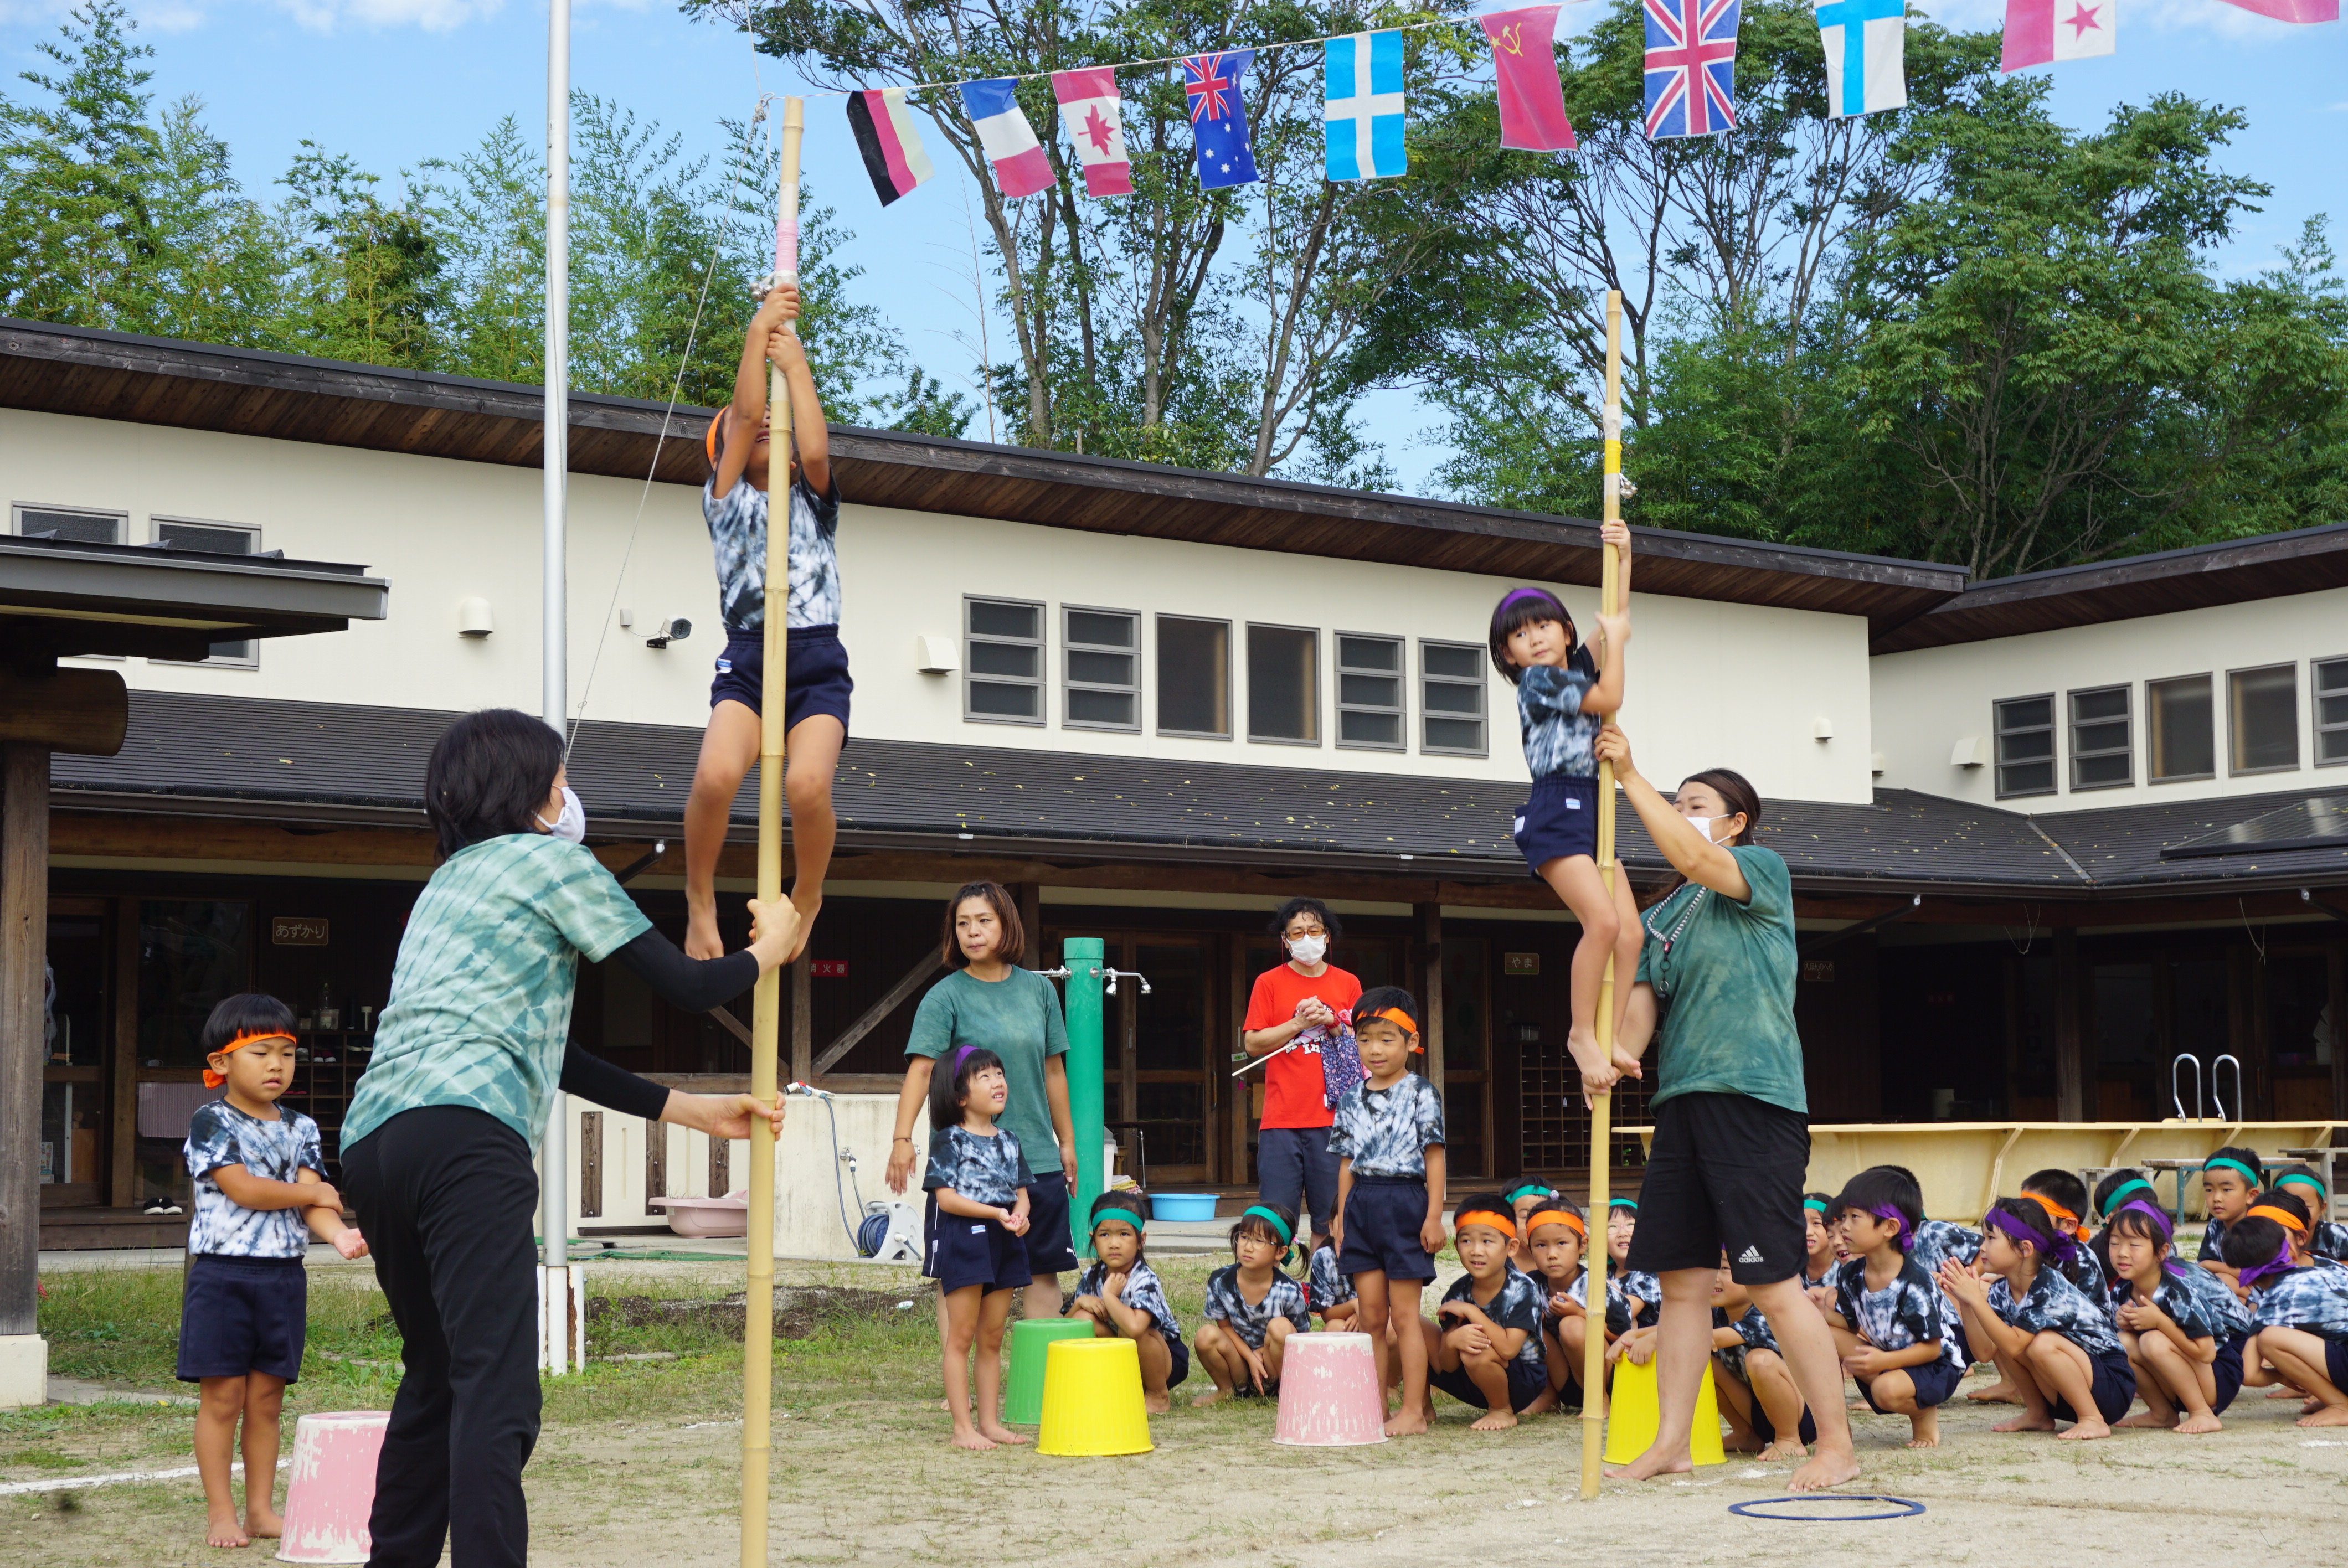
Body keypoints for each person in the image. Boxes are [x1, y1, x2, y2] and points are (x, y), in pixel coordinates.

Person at [339, 708, 796, 1568]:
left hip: (374, 1143)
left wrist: (687, 1110)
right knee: (497, 1391)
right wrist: (769, 950)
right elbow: (686, 989)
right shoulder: (554, 861)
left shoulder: (445, 885)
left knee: (436, 1378)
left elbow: (548, 1050)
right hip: (467, 1142)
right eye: (556, 779)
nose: (566, 793)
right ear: (529, 793)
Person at [1589, 723, 1858, 1490]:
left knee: (1771, 1279)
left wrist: (1630, 776)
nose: (1683, 811)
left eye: (1696, 802)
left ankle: (1833, 1443)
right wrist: (1608, 1058)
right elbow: (1640, 1018)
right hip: (1681, 1103)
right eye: (1677, 802)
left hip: (1755, 1098)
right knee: (1679, 1282)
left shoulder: (1758, 870)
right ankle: (1673, 1440)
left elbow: (1693, 855)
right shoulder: (1665, 919)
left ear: (1737, 821)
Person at [684, 282, 845, 965]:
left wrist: (797, 364)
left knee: (807, 786)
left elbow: (811, 449)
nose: (759, 435)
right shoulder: (723, 502)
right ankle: (698, 900)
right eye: (746, 436)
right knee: (715, 778)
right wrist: (759, 332)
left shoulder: (811, 502)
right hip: (749, 658)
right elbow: (749, 415)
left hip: (815, 660)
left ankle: (808, 894)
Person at [180, 994, 367, 1550]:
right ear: (220, 1065)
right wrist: (312, 1192)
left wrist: (339, 1234)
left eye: (287, 1053)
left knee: (266, 1401)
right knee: (222, 1400)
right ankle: (221, 1514)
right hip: (222, 1278)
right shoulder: (211, 1119)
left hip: (283, 1280)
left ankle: (261, 1512)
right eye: (260, 1052)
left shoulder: (302, 1126)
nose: (276, 1065)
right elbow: (244, 1188)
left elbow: (314, 1204)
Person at [886, 883, 1079, 1318]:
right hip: (966, 1159)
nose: (972, 932)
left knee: (1043, 1270)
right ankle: (959, 1387)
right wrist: (902, 1139)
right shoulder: (945, 996)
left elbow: (1053, 1071)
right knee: (961, 1274)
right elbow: (921, 1070)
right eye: (962, 924)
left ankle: (1040, 1383)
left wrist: (1066, 1141)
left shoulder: (1040, 991)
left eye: (983, 921)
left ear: (1007, 924)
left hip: (1037, 1154)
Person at [1487, 548, 1638, 1084]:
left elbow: (1612, 612)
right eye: (1520, 635)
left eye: (1544, 625)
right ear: (1509, 656)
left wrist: (1622, 551)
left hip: (1593, 805)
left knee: (1631, 936)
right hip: (1556, 806)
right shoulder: (1539, 682)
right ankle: (1580, 1033)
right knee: (1602, 923)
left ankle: (1609, 1034)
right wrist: (1616, 644)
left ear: (1566, 632)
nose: (1535, 638)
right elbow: (1610, 693)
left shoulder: (1570, 665)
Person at [1329, 987, 1447, 1436]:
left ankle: (1414, 1411)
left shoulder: (1422, 1093)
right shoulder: (1349, 1098)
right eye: (1364, 1039)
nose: (1375, 1049)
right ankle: (1373, 1407)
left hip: (1406, 1202)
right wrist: (1341, 1215)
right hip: (1362, 1203)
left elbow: (1434, 1156)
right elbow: (1345, 1161)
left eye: (1386, 1038)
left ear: (1412, 1042)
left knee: (1403, 1316)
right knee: (1372, 1316)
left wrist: (1435, 1215)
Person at [1938, 1197, 2134, 1440]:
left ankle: (2092, 1419)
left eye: (1991, 1238)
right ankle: (2039, 1414)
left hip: (2111, 1384)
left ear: (2025, 1249)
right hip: (2066, 1390)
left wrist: (1977, 1299)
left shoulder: (2048, 1284)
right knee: (2011, 1336)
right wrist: (1967, 1302)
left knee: (2041, 1343)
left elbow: (2014, 1343)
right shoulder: (2001, 1291)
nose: (1982, 1248)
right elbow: (1984, 1353)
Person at [922, 1046, 1033, 1451]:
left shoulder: (1010, 1139)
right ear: (960, 1096)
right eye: (984, 1076)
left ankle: (989, 1423)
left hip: (1004, 1237)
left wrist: (1019, 1215)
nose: (997, 1081)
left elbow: (1022, 1196)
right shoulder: (948, 1139)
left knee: (992, 1338)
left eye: (999, 1073)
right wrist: (996, 1213)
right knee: (962, 1337)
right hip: (965, 1238)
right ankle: (961, 1429)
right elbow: (947, 1199)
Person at [1239, 898, 1361, 1251]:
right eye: (1298, 932)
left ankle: (1326, 1291)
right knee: (1275, 1216)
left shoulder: (1348, 983)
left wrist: (1333, 1022)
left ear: (1327, 937)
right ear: (1285, 939)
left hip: (1334, 1117)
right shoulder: (1269, 982)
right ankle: (1278, 1290)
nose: (1307, 938)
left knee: (1331, 1214)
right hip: (1281, 1119)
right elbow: (1252, 1043)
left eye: (1314, 931)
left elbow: (1364, 1045)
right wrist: (1298, 1023)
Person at [1817, 1172, 1959, 1449]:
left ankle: (1924, 1414)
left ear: (1890, 1227)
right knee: (1824, 1333)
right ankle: (1833, 1422)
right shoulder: (1852, 1274)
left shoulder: (1915, 1281)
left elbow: (1931, 1349)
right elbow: (1847, 1325)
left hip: (1935, 1366)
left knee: (1885, 1391)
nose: (1844, 1227)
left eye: (1853, 1217)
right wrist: (1818, 1314)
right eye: (1842, 1218)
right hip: (1891, 1359)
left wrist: (1882, 1362)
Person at [2104, 1195, 2247, 1433]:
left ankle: (2202, 1413)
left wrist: (2160, 1322)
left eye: (2134, 1245)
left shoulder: (2177, 1290)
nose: (2122, 1253)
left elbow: (2207, 1352)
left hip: (2216, 1375)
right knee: (2124, 1342)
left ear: (2162, 1252)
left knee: (2153, 1341)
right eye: (2115, 1243)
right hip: (2181, 1375)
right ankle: (2162, 1413)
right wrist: (2126, 1323)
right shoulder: (2121, 1289)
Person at [1421, 1196, 1549, 1430]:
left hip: (1520, 1382)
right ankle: (1422, 1408)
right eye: (1466, 1241)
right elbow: (1447, 1366)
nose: (1476, 1251)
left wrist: (1472, 1311)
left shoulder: (1522, 1288)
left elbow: (1510, 1349)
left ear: (1511, 1247)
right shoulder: (1458, 1290)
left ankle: (1502, 1410)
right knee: (1415, 1326)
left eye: (1487, 1241)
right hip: (1472, 1378)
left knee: (1476, 1351)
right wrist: (1451, 1342)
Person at [1066, 1193, 1189, 1414]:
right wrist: (1079, 1304)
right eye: (1105, 1235)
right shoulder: (1091, 1276)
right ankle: (1110, 1388)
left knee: (1136, 1331)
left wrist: (1109, 1296)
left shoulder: (1144, 1279)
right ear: (1093, 1239)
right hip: (1121, 1354)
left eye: (1124, 1234)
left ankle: (1157, 1396)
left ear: (1141, 1240)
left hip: (1163, 1360)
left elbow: (1135, 1328)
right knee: (1083, 1318)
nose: (1114, 1244)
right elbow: (1065, 1330)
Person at [2223, 1211, 2348, 1426]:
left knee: (2270, 1338)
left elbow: (2249, 1374)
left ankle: (2341, 1406)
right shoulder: (2330, 1267)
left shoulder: (2276, 1298)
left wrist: (2280, 1377)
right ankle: (2335, 1397)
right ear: (2292, 1250)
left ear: (2248, 1277)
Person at [1194, 1205, 1308, 1404]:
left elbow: (1300, 1339)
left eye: (1259, 1241)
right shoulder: (1220, 1280)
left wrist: (1261, 1353)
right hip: (1240, 1362)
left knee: (1279, 1326)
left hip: (1274, 1366)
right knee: (1205, 1335)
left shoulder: (1288, 1290)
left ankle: (1288, 1391)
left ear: (1280, 1252)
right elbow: (1224, 1326)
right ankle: (1228, 1391)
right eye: (1245, 1237)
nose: (1248, 1247)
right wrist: (1250, 1357)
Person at [1707, 1260, 1814, 1459]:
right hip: (1760, 1412)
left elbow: (1710, 1338)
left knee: (1760, 1361)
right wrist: (1639, 1336)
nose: (1714, 1276)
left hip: (1804, 1415)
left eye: (1724, 1268)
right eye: (1711, 1267)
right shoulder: (1716, 1313)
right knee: (1704, 1364)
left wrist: (1656, 1339)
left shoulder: (1767, 1312)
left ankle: (1789, 1439)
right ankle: (1745, 1435)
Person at [1528, 1204, 1619, 1411]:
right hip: (1566, 1382)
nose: (1552, 1254)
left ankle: (1600, 1400)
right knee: (1526, 1324)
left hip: (1607, 1377)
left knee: (1571, 1325)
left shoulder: (1596, 1284)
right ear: (1529, 1248)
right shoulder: (1528, 1285)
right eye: (1541, 1245)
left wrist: (1578, 1313)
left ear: (1582, 1245)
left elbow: (1623, 1336)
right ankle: (1546, 1394)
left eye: (1562, 1243)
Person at [2196, 1147, 2265, 1287]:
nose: (2216, 1198)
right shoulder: (2215, 1227)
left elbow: (2262, 1276)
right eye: (2209, 1190)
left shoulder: (2262, 1229)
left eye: (2226, 1190)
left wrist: (2208, 1265)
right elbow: (2203, 1271)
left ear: (2251, 1195)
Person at [2270, 1164, 2348, 1261]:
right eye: (2287, 1204)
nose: (2295, 1212)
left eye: (2305, 1206)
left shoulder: (2337, 1235)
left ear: (2322, 1208)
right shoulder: (2267, 1236)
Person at [1606, 1197, 1660, 1329]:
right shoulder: (1606, 1274)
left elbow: (1624, 1314)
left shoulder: (1651, 1273)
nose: (1622, 1233)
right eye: (1612, 1227)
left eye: (1631, 1225)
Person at [1306, 1239, 1358, 1328]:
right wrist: (1355, 1305)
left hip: (1380, 1317)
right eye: (1344, 1225)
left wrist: (1365, 1314)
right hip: (1344, 1322)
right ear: (1331, 1228)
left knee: (1390, 1328)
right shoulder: (1324, 1257)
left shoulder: (1381, 1251)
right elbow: (1327, 1315)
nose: (1350, 1231)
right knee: (1334, 1327)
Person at [1801, 1194, 1837, 1291]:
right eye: (1802, 1223)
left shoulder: (1848, 1269)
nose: (1808, 1232)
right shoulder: (1790, 1268)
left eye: (1816, 1223)